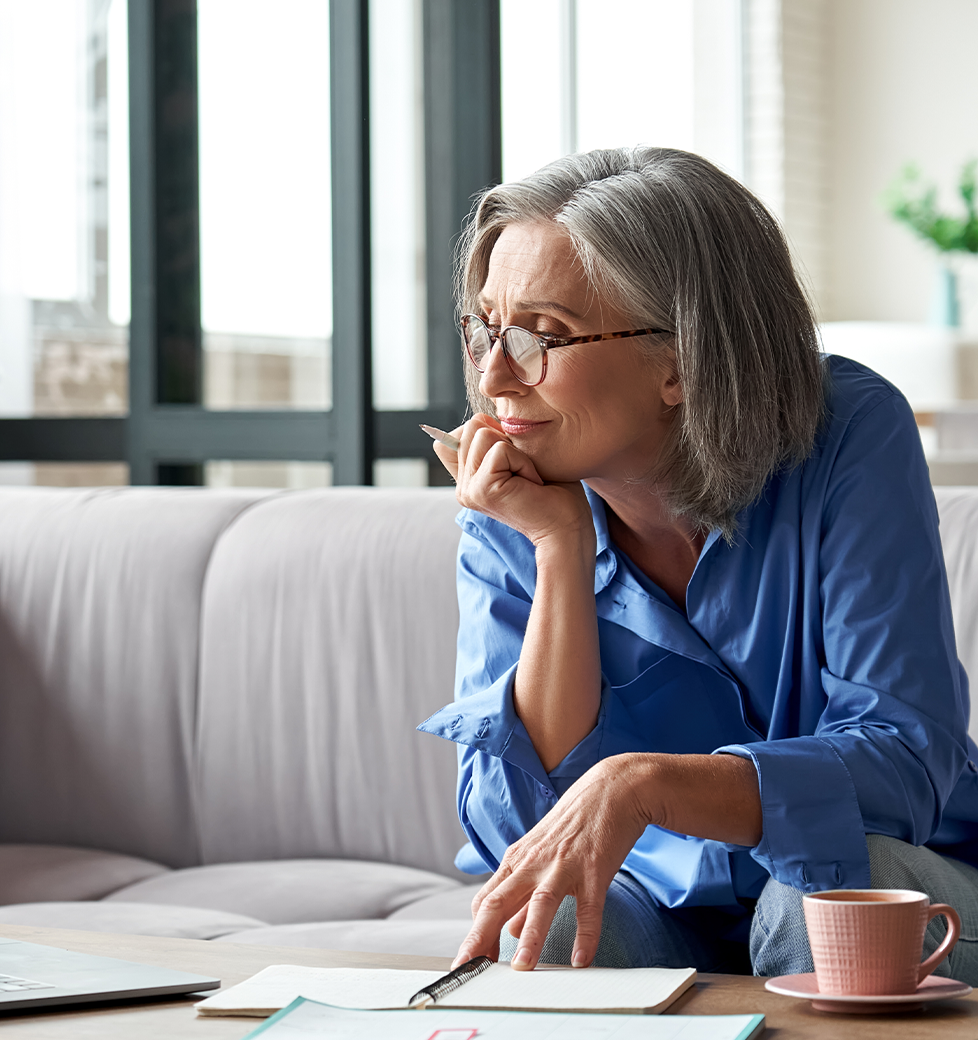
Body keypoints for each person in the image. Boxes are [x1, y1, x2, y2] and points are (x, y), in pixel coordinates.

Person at [418, 146, 978, 980]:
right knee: (556, 915)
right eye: (485, 329)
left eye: (543, 335)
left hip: (889, 881)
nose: (496, 376)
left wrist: (648, 784)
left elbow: (902, 763)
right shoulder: (516, 495)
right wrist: (560, 550)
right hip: (662, 902)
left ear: (680, 360)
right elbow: (516, 830)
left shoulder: (850, 434)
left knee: (813, 901)